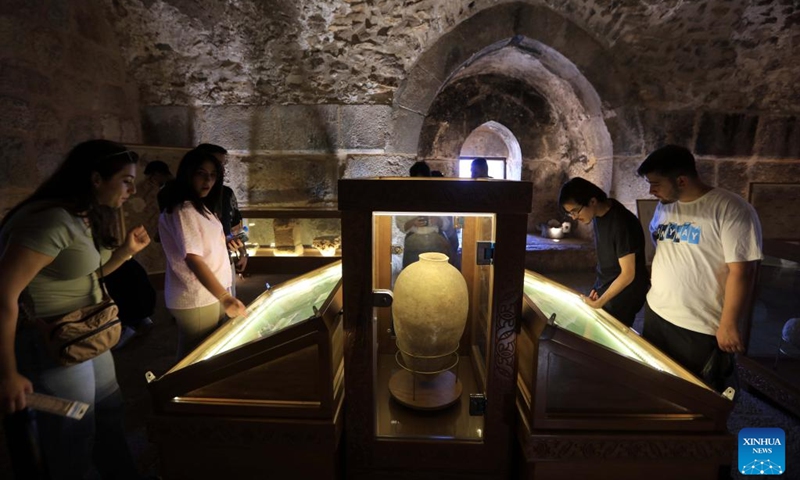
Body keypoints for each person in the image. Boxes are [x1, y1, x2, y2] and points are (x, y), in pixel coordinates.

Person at [0, 139, 150, 478]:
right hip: (54, 343)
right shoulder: (49, 221)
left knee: (110, 413)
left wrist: (125, 253)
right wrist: (7, 373)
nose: (133, 189)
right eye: (126, 180)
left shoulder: (80, 215)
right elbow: (4, 296)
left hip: (87, 333)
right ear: (96, 178)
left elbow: (86, 274)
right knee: (73, 435)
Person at [637, 145, 762, 390]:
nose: (651, 191)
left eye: (656, 184)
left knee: (697, 392)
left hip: (698, 322)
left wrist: (728, 323)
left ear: (681, 180)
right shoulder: (666, 205)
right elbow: (659, 241)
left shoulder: (731, 210)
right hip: (657, 311)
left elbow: (742, 271)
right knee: (658, 382)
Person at [159, 148, 247, 359]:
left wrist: (225, 243)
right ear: (188, 174)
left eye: (213, 175)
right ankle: (179, 391)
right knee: (195, 356)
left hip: (209, 292)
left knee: (206, 349)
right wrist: (226, 297)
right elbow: (192, 257)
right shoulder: (185, 210)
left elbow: (200, 246)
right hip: (196, 295)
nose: (208, 180)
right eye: (201, 173)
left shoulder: (199, 207)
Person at [558, 177, 649, 327]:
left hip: (625, 292)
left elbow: (628, 274)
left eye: (575, 211)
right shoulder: (598, 215)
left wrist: (601, 301)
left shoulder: (621, 222)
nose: (574, 218)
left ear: (592, 201)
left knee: (609, 338)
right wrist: (597, 287)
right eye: (570, 214)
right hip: (608, 283)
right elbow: (607, 260)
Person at [195, 143, 248, 295]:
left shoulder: (226, 193)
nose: (221, 169)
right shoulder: (187, 202)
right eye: (216, 163)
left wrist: (243, 252)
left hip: (225, 259)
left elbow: (235, 225)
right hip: (200, 266)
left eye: (222, 164)